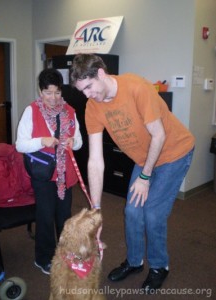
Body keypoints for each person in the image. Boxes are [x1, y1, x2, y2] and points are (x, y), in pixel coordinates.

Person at [70, 54, 195, 293]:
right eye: (81, 90)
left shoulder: (136, 87)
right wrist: (95, 208)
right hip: (145, 155)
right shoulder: (92, 106)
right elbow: (95, 160)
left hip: (174, 151)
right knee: (132, 211)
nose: (86, 95)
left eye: (88, 87)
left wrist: (145, 178)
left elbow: (159, 135)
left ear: (101, 74)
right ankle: (135, 262)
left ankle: (159, 267)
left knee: (153, 214)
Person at [16, 68, 82, 275]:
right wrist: (41, 141)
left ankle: (66, 255)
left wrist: (73, 141)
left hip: (65, 175)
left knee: (65, 217)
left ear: (61, 91)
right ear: (40, 91)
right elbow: (20, 145)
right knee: (45, 217)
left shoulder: (70, 111)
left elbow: (79, 142)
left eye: (57, 92)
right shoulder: (31, 111)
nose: (53, 98)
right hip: (44, 173)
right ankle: (43, 258)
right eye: (47, 93)